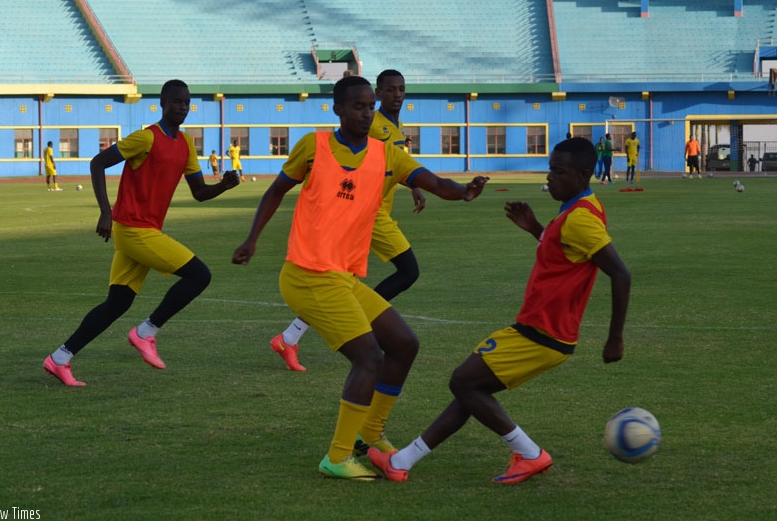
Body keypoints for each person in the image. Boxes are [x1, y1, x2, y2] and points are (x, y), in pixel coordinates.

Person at [231, 75, 489, 480]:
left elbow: (436, 183)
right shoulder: (313, 146)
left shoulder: (387, 154)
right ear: (337, 109)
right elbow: (276, 190)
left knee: (404, 344)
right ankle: (337, 457)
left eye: (370, 106)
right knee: (369, 358)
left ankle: (370, 433)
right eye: (358, 106)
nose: (367, 113)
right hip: (307, 275)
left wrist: (464, 192)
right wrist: (252, 239)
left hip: (344, 277)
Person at [368, 137, 631, 485]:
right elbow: (568, 255)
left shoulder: (581, 219)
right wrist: (536, 229)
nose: (550, 177)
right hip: (539, 329)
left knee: (463, 382)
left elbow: (621, 273)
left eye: (559, 172)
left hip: (543, 333)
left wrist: (615, 339)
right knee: (472, 390)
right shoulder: (582, 207)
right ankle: (401, 462)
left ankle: (530, 454)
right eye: (550, 170)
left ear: (583, 174)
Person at [42, 80, 240, 387]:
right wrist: (105, 211)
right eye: (176, 102)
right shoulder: (146, 138)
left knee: (117, 303)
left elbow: (199, 192)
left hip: (144, 231)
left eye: (186, 103)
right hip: (133, 230)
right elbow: (98, 163)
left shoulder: (186, 144)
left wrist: (223, 186)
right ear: (162, 103)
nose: (182, 107)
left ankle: (59, 358)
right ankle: (146, 332)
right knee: (199, 275)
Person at [270, 69, 426, 373]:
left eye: (401, 89)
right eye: (390, 90)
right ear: (378, 93)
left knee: (339, 279)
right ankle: (358, 322)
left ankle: (289, 338)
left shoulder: (394, 126)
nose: (397, 95)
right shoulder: (374, 126)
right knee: (407, 271)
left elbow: (393, 165)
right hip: (369, 215)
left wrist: (414, 185)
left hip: (374, 214)